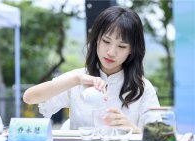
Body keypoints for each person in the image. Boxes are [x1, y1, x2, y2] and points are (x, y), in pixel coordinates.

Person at [23, 6, 160, 133]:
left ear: (132, 50)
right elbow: (29, 97)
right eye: (106, 41)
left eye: (122, 46)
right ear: (96, 40)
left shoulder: (143, 88)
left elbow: (159, 136)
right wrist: (76, 80)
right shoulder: (78, 77)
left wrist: (132, 129)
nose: (111, 52)